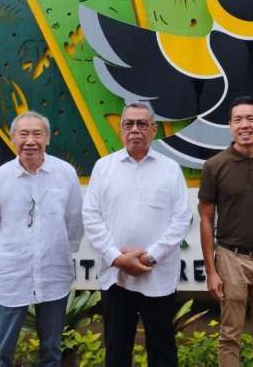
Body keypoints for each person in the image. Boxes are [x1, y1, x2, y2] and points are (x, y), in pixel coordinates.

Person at [83, 102, 191, 366]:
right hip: (116, 276)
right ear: (120, 129)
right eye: (128, 124)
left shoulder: (170, 169)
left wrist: (151, 256)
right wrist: (117, 258)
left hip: (158, 274)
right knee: (117, 349)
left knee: (162, 348)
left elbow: (181, 218)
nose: (135, 130)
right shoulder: (104, 167)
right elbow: (91, 216)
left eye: (141, 124)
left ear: (153, 129)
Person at [0, 111, 83, 367]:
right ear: (13, 138)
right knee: (1, 350)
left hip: (53, 273)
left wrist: (59, 251)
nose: (30, 140)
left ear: (47, 138)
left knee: (51, 350)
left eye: (37, 134)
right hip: (12, 274)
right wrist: (1, 259)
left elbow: (73, 221)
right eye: (23, 134)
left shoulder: (65, 173)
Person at [199, 96, 253, 367]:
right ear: (230, 126)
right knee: (230, 335)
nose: (244, 125)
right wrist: (212, 271)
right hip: (231, 258)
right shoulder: (215, 166)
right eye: (238, 120)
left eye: (250, 119)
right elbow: (205, 217)